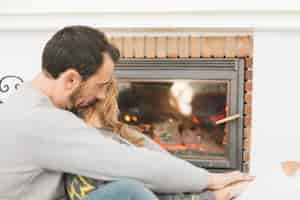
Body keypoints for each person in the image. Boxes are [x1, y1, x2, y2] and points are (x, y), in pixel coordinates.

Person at [0, 25, 254, 200]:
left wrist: (198, 176)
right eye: (100, 86)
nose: (102, 96)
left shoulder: (30, 103)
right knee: (127, 191)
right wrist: (208, 180)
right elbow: (128, 163)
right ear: (70, 80)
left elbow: (126, 149)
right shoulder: (39, 121)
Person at [64, 78, 252, 200]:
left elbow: (162, 169)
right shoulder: (87, 141)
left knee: (145, 183)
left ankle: (212, 195)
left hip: (129, 187)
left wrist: (207, 185)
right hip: (110, 192)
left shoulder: (122, 135)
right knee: (131, 188)